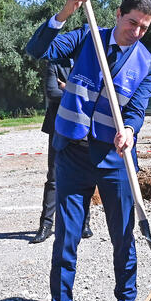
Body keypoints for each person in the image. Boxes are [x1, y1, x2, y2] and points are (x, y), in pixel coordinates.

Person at [26, 0, 151, 301]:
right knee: (66, 239)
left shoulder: (147, 63)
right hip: (72, 154)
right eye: (132, 22)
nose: (136, 32)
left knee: (123, 238)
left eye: (143, 28)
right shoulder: (87, 36)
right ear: (118, 14)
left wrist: (130, 131)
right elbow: (38, 49)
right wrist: (66, 11)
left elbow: (135, 110)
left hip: (115, 158)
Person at [30, 57, 93, 244]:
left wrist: (67, 88)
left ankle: (84, 224)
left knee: (84, 177)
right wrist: (78, 93)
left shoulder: (90, 63)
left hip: (84, 127)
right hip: (58, 127)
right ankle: (46, 225)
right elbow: (52, 93)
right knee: (54, 177)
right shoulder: (55, 63)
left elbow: (96, 93)